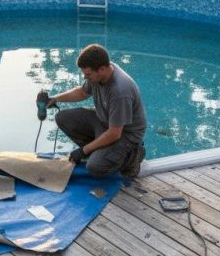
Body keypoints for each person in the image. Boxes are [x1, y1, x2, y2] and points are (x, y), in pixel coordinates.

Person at [46, 44, 146, 178]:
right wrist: (55, 99)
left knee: (95, 167)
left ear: (102, 69)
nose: (85, 78)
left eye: (87, 74)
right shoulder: (99, 72)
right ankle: (101, 150)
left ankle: (132, 157)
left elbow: (114, 134)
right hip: (104, 121)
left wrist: (83, 151)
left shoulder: (120, 91)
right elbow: (82, 93)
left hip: (125, 135)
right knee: (63, 118)